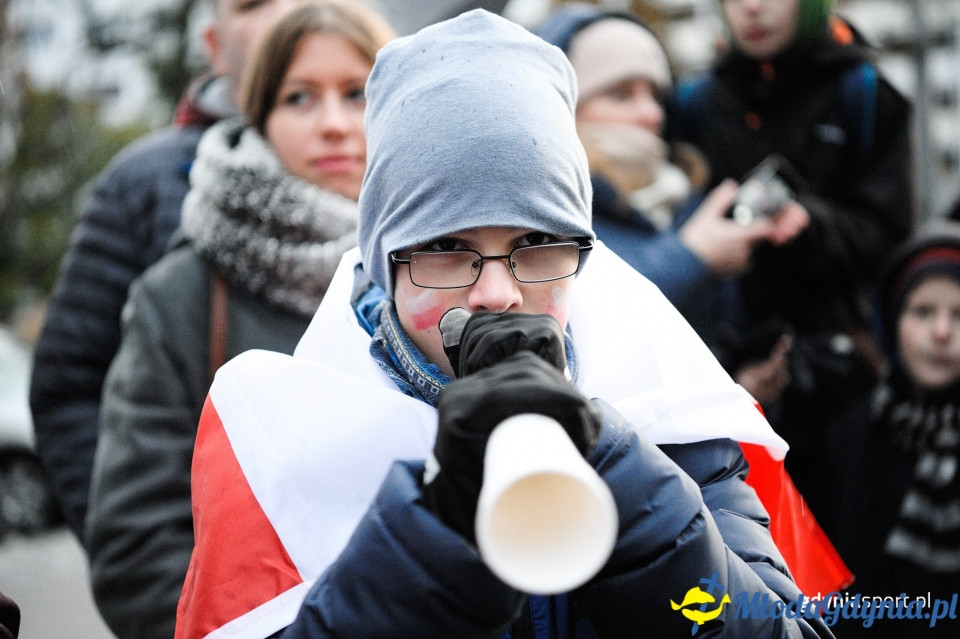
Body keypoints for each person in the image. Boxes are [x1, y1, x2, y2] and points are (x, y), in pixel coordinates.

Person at [175, 10, 843, 638]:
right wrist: (440, 528)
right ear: (384, 263)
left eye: (536, 246)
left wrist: (614, 467)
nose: (497, 293)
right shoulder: (287, 431)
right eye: (445, 248)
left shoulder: (663, 404)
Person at [83, 4, 395, 639]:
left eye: (357, 94)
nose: (334, 124)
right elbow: (136, 545)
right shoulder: (181, 296)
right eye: (299, 97)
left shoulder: (454, 269)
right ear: (260, 116)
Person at [28, 0, 308, 543]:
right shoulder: (143, 182)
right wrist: (146, 557)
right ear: (214, 44)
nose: (285, 15)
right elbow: (69, 386)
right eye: (254, 5)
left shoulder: (386, 171)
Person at [668, 0, 914, 520]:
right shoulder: (696, 100)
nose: (752, 8)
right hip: (720, 372)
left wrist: (813, 226)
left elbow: (893, 242)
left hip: (841, 382)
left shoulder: (864, 94)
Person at [534, 2, 807, 408]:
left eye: (656, 95)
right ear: (562, 107)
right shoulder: (543, 209)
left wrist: (744, 387)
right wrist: (693, 257)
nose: (649, 114)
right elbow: (575, 327)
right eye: (620, 94)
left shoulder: (683, 199)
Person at [824, 218, 960, 638]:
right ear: (891, 321)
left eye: (959, 315)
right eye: (922, 312)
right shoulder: (856, 432)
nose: (941, 332)